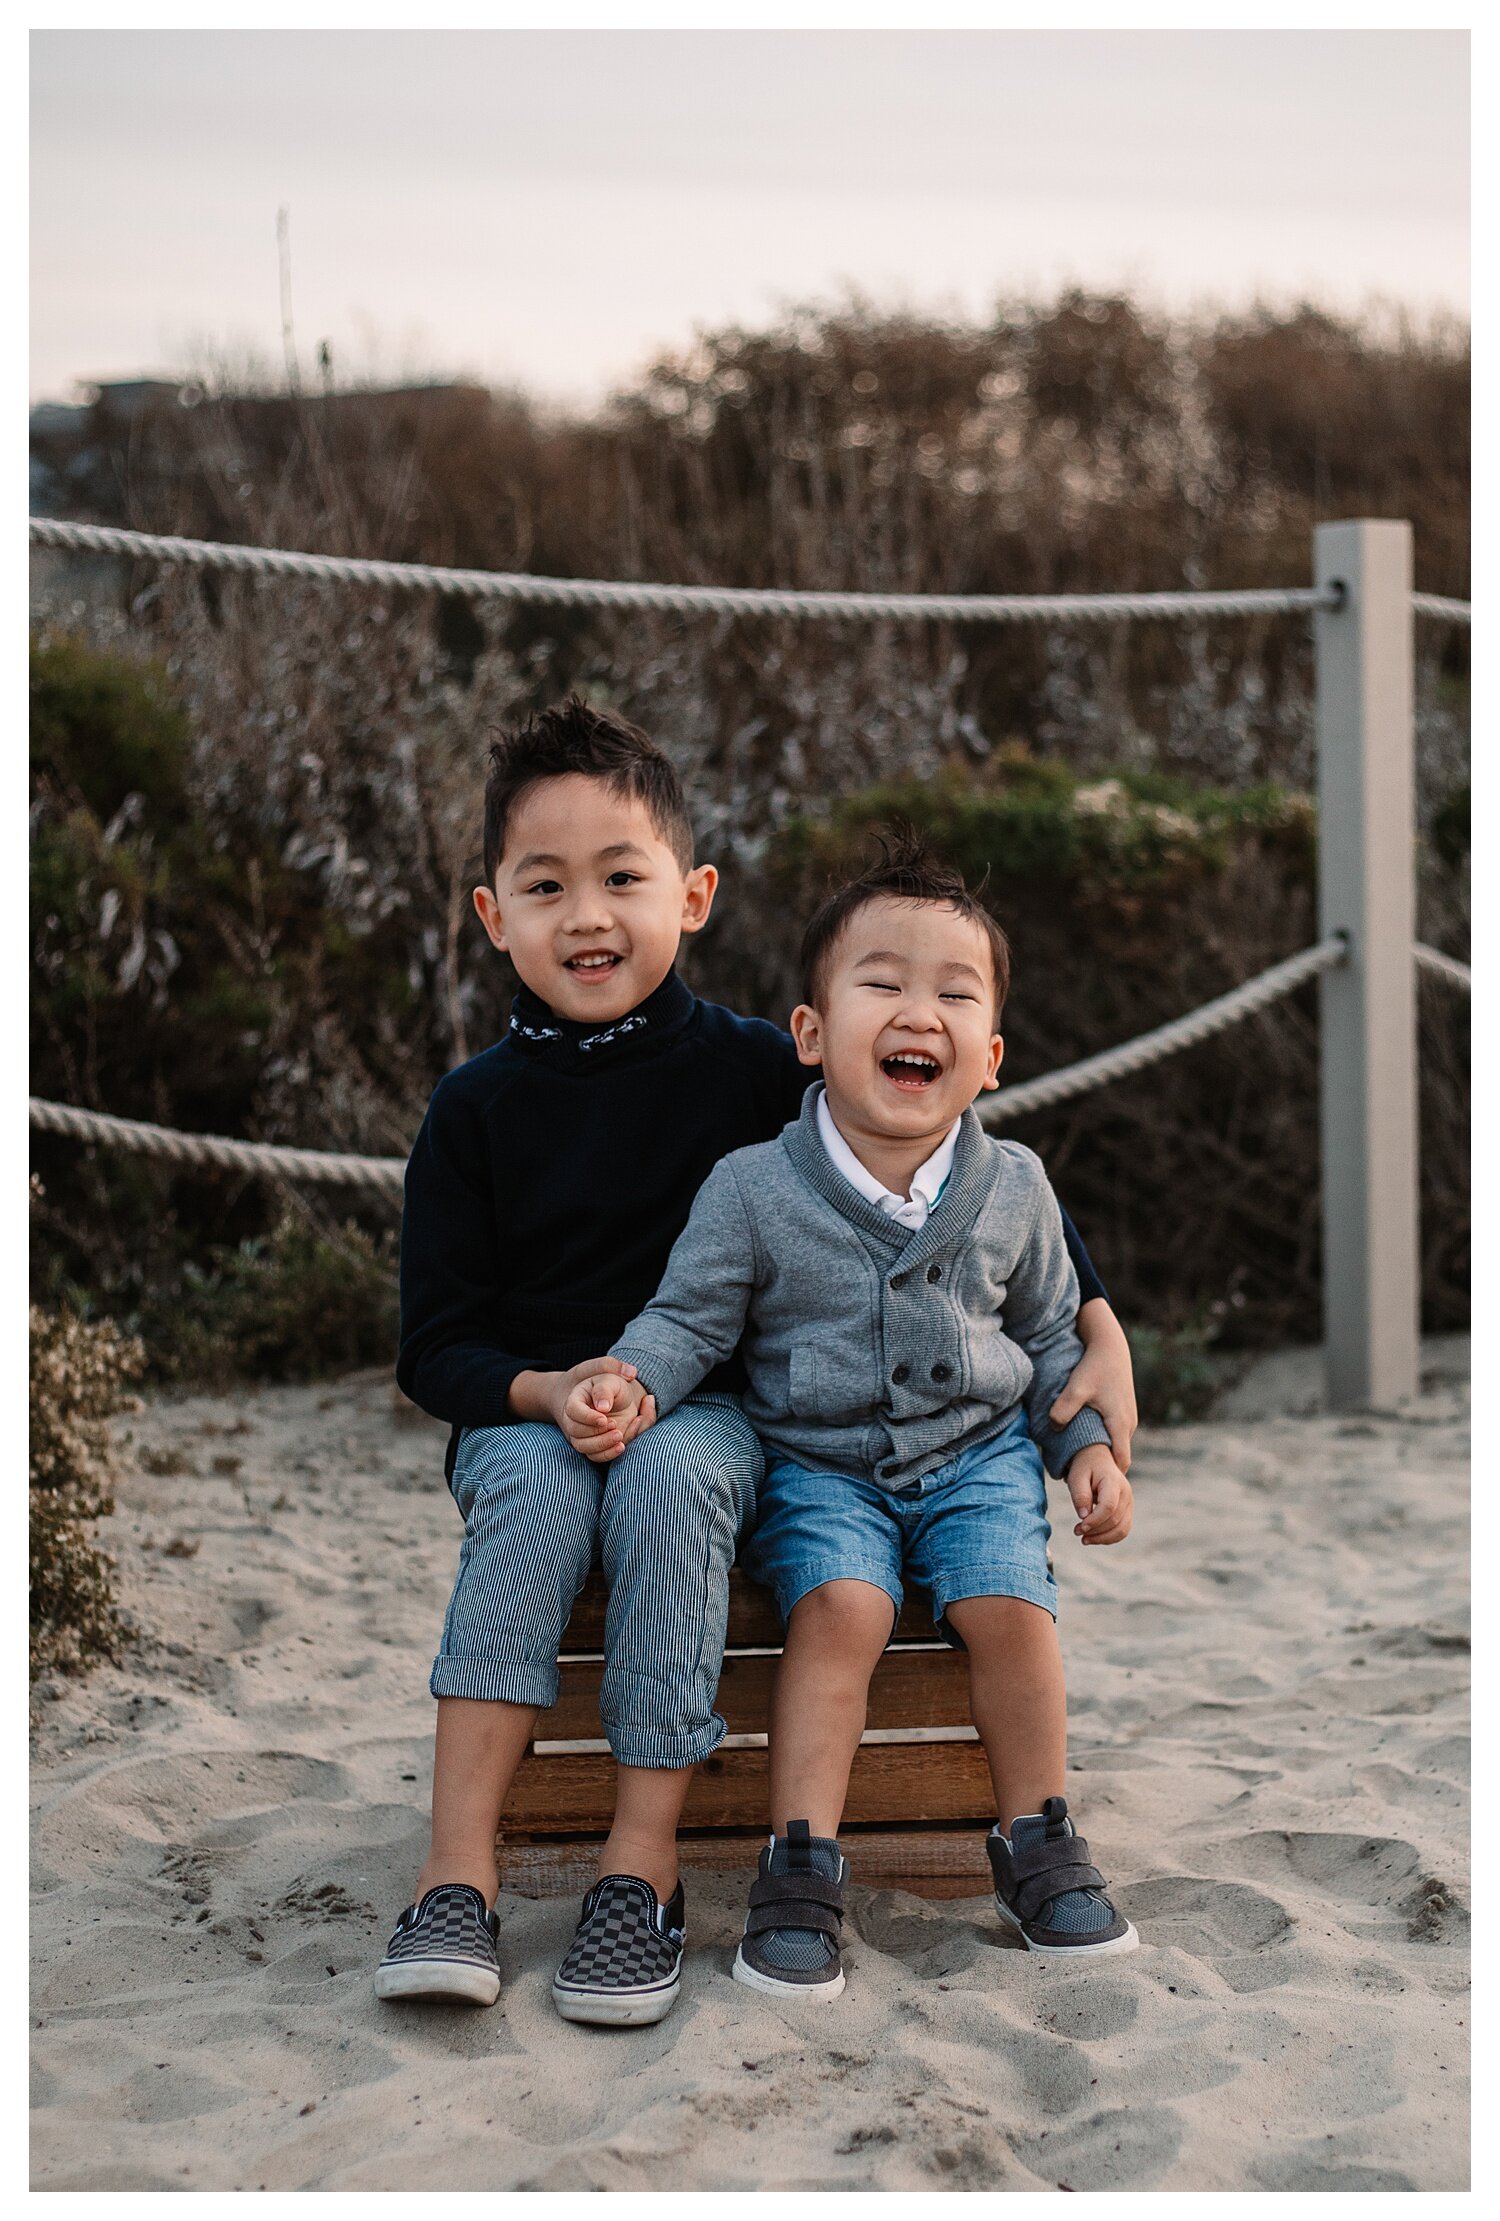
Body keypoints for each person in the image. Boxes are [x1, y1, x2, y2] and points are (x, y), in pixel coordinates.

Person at [376, 698, 1136, 2025]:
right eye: (545, 887)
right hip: (532, 1409)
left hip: (712, 1410)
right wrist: (550, 1391)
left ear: (694, 894)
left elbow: (964, 1178)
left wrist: (1105, 1333)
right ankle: (458, 1879)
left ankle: (642, 1866)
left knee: (675, 1479)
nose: (591, 915)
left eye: (624, 878)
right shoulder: (473, 1111)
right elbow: (434, 1346)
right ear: (493, 915)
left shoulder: (751, 1068)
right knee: (540, 1495)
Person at [578, 833, 1138, 2001]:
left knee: (1009, 1608)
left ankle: (1039, 1837)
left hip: (981, 1458)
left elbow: (1046, 1339)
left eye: (952, 991)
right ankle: (801, 1863)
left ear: (987, 1056)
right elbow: (689, 1323)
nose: (915, 1011)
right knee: (843, 1608)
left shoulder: (1018, 1186)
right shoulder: (752, 1188)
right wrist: (634, 1378)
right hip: (817, 1465)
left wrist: (1082, 1448)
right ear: (812, 1033)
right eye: (881, 981)